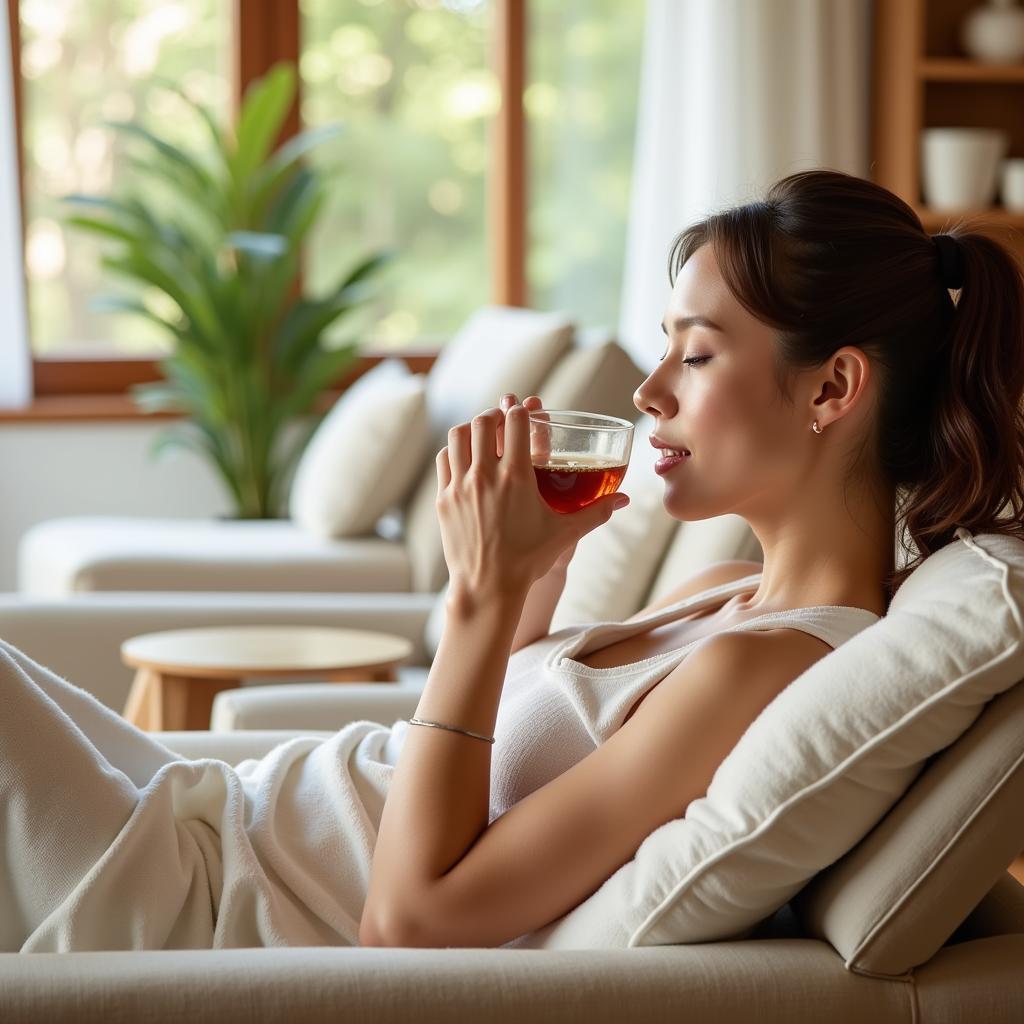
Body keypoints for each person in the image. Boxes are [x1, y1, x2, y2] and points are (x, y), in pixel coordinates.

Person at [4, 169, 1023, 955]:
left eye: (697, 354)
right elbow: (500, 774)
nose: (649, 391)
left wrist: (486, 610)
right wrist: (525, 590)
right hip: (218, 808)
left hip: (208, 900)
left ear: (831, 388)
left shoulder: (758, 669)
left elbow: (408, 920)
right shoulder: (727, 592)